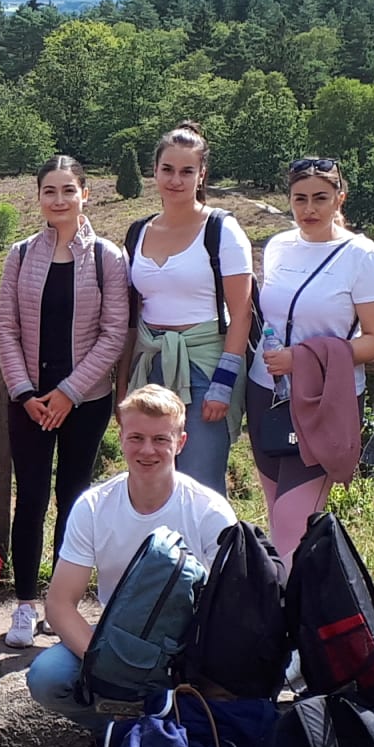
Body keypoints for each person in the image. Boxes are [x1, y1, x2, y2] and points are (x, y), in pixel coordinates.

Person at [26, 386, 236, 728]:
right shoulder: (93, 506)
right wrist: (108, 664)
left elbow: (229, 610)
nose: (147, 450)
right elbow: (60, 605)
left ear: (180, 442)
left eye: (161, 440)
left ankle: (167, 732)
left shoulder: (210, 511)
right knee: (47, 677)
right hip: (117, 641)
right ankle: (118, 732)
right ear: (121, 437)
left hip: (188, 648)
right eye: (136, 437)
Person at [0, 156, 130, 650]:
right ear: (38, 198)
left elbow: (114, 333)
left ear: (85, 194)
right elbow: (5, 326)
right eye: (49, 191)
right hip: (28, 399)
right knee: (29, 498)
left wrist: (68, 393)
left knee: (73, 500)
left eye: (68, 190)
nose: (59, 200)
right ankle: (25, 606)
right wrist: (27, 393)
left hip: (86, 401)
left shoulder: (107, 258)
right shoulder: (20, 254)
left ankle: (61, 603)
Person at [246, 157, 374, 566]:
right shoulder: (277, 247)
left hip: (325, 401)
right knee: (279, 518)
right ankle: (293, 614)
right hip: (266, 395)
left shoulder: (362, 256)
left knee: (293, 522)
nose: (309, 209)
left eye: (320, 199)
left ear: (339, 199)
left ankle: (294, 625)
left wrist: (303, 358)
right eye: (300, 199)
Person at [121, 124, 254, 495]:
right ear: (155, 171)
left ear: (201, 175)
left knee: (201, 482)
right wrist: (123, 386)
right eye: (168, 169)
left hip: (205, 368)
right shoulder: (138, 232)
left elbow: (241, 312)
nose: (175, 180)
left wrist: (223, 385)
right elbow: (132, 315)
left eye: (186, 171)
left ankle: (212, 554)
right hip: (150, 367)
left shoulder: (222, 231)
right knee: (150, 481)